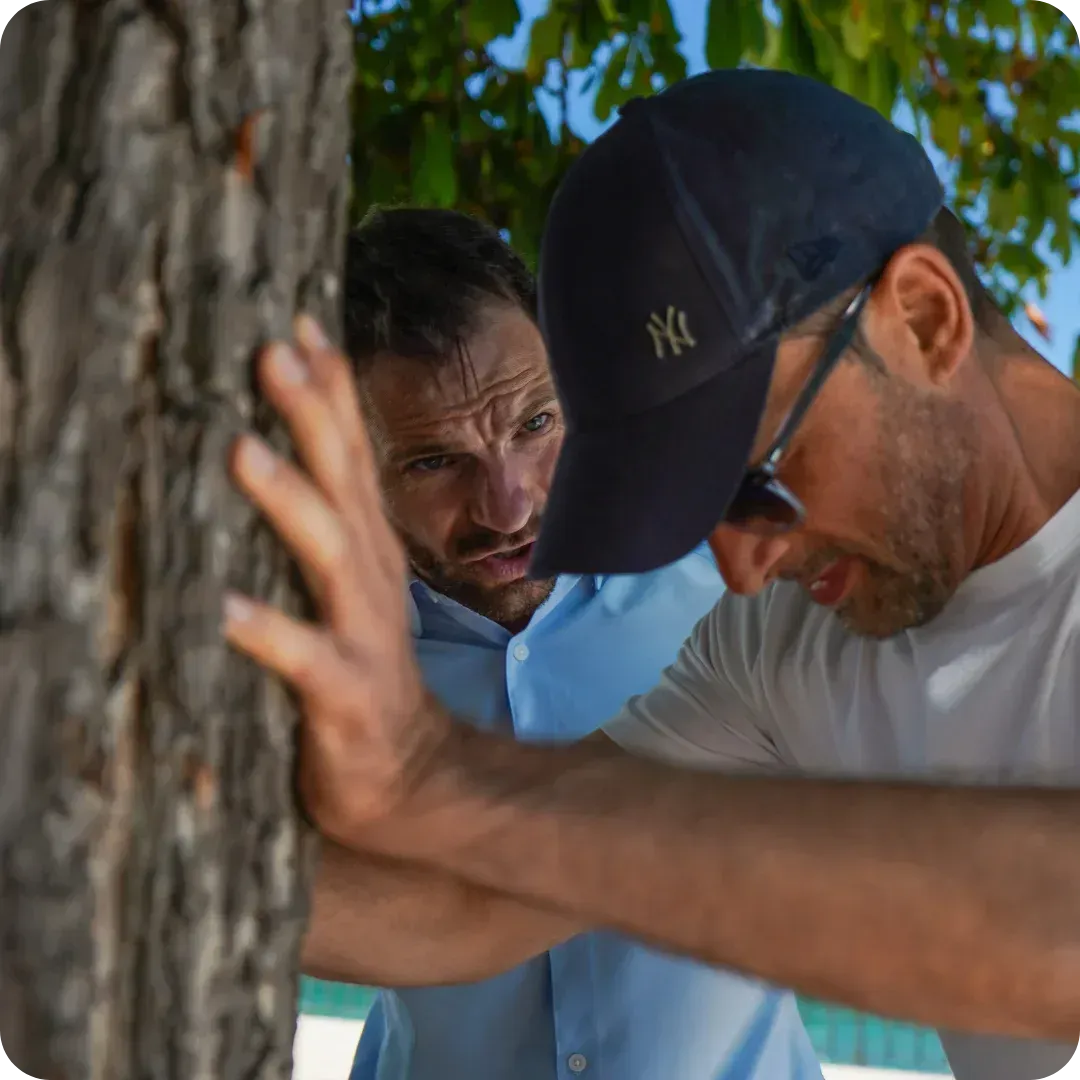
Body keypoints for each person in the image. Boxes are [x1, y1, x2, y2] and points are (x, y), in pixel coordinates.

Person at [222, 70, 1080, 1075]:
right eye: (696, 507)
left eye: (756, 474)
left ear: (927, 319)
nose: (745, 570)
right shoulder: (780, 650)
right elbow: (491, 897)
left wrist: (432, 777)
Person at [301, 207, 824, 1080]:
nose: (508, 506)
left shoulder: (734, 585)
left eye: (535, 426)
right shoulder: (315, 669)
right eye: (435, 461)